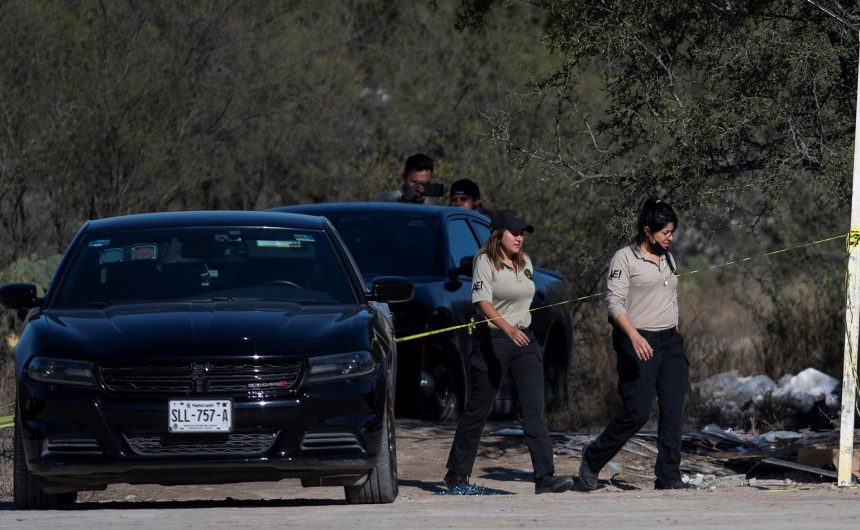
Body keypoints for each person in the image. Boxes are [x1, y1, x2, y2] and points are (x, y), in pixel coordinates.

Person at [444, 209, 573, 494]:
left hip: (524, 339)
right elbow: (482, 302)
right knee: (478, 409)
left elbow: (525, 297)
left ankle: (544, 477)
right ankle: (456, 473)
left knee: (533, 410)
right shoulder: (484, 262)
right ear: (497, 234)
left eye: (522, 233)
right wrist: (507, 329)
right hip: (493, 339)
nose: (520, 238)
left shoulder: (524, 262)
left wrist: (520, 329)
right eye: (514, 232)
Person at [579, 196, 690, 491]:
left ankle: (669, 476)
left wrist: (675, 326)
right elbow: (614, 302)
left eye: (672, 231)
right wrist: (634, 336)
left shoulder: (668, 257)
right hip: (638, 340)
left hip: (670, 343)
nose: (670, 238)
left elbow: (671, 293)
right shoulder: (624, 259)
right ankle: (593, 458)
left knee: (673, 409)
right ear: (647, 231)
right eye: (665, 232)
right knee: (638, 411)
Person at [373, 153, 440, 204]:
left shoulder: (434, 206)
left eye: (425, 183)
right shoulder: (384, 200)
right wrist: (405, 200)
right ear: (404, 177)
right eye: (414, 182)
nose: (419, 188)